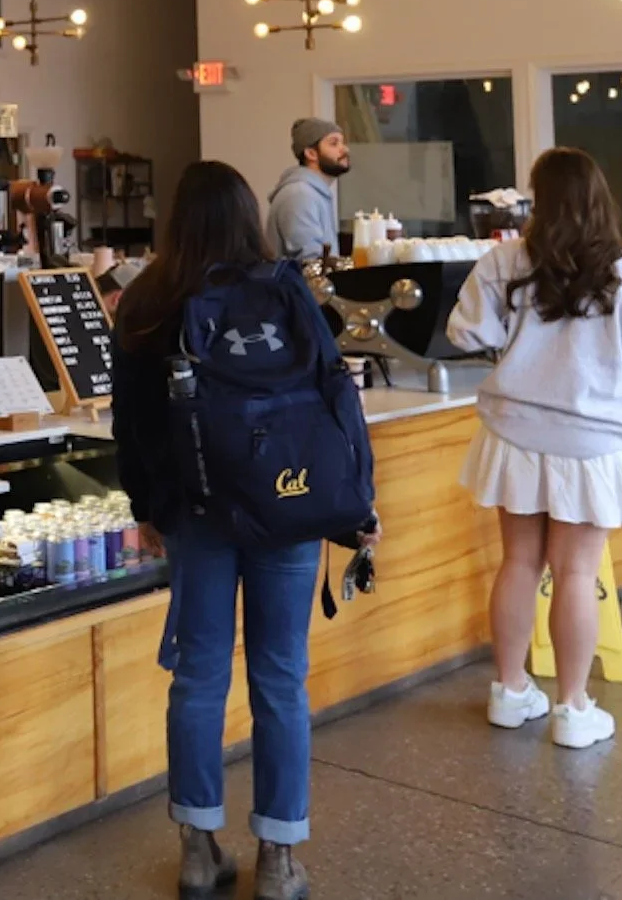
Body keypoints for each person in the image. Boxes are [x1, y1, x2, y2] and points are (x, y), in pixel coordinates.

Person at [112, 161, 376, 900]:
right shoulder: (286, 286)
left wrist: (146, 505)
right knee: (280, 677)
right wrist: (352, 499)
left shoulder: (147, 299)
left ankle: (199, 850)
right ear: (248, 216)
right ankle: (280, 859)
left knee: (199, 675)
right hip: (286, 506)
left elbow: (128, 424)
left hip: (195, 515)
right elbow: (335, 396)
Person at [448, 147, 622, 749]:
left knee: (519, 563)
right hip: (590, 442)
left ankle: (510, 690)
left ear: (539, 201)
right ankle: (573, 710)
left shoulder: (503, 260)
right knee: (576, 572)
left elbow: (467, 332)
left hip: (515, 435)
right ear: (601, 200)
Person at [268, 117, 348, 263]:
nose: (344, 149)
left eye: (342, 143)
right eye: (334, 143)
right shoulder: (299, 196)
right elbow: (312, 263)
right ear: (311, 153)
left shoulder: (312, 193)